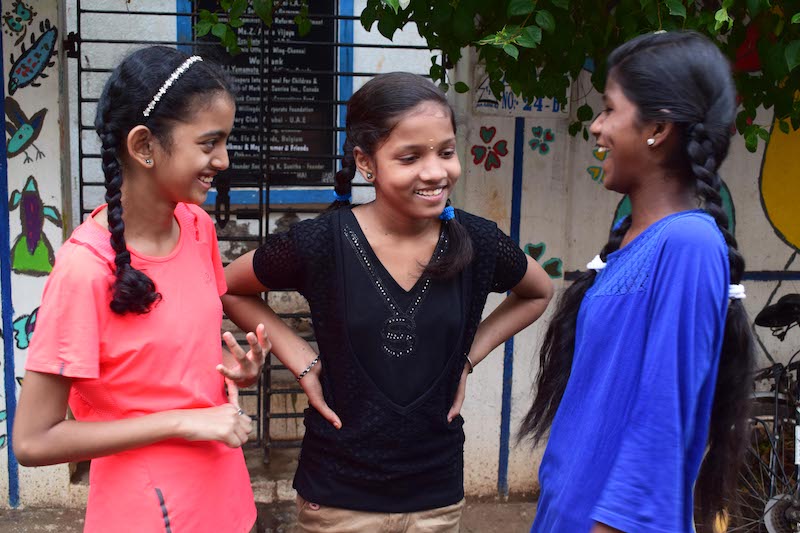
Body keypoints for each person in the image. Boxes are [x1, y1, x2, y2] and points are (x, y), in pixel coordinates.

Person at [222, 72, 554, 532]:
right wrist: (300, 359)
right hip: (337, 499)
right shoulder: (321, 242)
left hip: (436, 496)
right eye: (410, 157)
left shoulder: (478, 241)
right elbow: (230, 287)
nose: (436, 171)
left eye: (446, 152)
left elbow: (538, 292)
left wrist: (466, 359)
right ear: (366, 162)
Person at [12, 46, 268, 533]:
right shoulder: (84, 269)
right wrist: (181, 420)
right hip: (146, 515)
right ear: (144, 146)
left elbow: (166, 359)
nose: (224, 159)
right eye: (210, 142)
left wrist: (231, 372)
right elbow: (32, 441)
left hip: (229, 505)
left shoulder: (196, 226)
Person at [520, 31, 754, 532]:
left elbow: (660, 426)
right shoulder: (633, 245)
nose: (597, 128)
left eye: (609, 109)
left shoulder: (688, 245)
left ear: (657, 128)